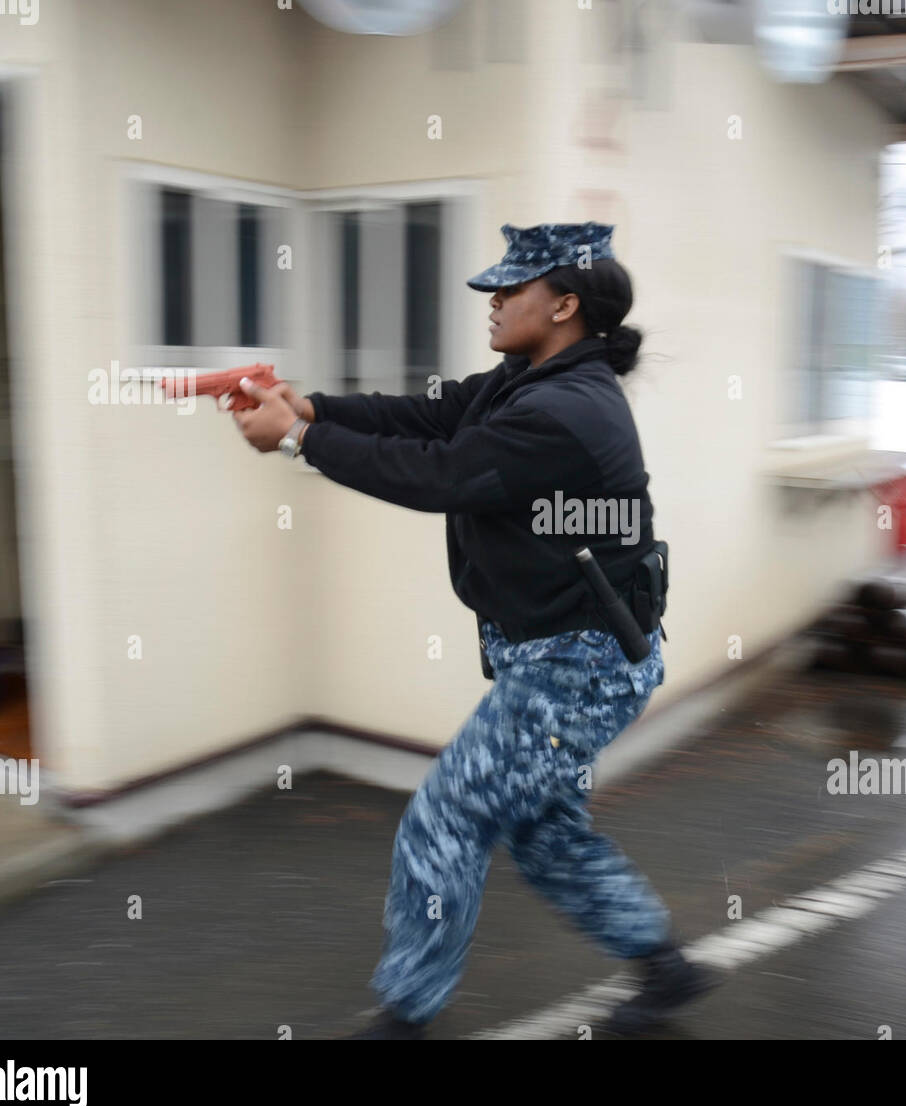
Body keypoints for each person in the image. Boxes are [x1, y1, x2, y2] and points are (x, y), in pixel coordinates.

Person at [231, 221, 721, 1037]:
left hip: (581, 664)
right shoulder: (524, 381)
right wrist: (309, 407)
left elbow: (440, 476)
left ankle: (404, 1018)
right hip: (565, 655)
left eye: (511, 290)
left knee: (446, 818)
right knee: (543, 834)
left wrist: (296, 440)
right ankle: (666, 973)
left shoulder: (567, 411)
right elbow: (427, 416)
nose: (492, 301)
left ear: (564, 304)